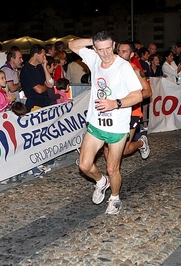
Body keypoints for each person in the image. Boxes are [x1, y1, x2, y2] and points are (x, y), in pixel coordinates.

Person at [68, 31, 143, 215]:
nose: (106, 53)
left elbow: (138, 95)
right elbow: (72, 45)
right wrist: (92, 40)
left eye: (109, 48)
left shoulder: (123, 67)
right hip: (96, 124)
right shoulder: (93, 58)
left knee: (112, 167)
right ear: (95, 48)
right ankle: (101, 182)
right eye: (101, 49)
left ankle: (115, 197)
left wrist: (115, 103)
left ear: (114, 45)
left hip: (117, 126)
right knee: (84, 165)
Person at [115, 40, 152, 158]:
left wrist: (130, 98)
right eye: (119, 51)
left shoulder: (136, 71)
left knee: (124, 150)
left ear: (131, 54)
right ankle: (109, 174)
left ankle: (141, 143)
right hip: (114, 111)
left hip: (132, 112)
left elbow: (148, 92)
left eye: (124, 52)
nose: (120, 54)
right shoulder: (111, 69)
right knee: (109, 147)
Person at [20, 44, 53, 112]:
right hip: (35, 105)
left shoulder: (39, 67)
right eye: (43, 55)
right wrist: (46, 85)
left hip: (45, 103)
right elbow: (39, 89)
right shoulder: (26, 70)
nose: (44, 58)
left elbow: (51, 83)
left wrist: (45, 68)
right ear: (36, 55)